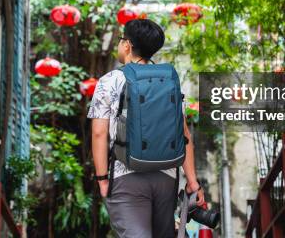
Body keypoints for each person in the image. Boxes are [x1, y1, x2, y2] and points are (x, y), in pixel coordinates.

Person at [87, 19, 205, 238]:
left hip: (125, 177)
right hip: (166, 178)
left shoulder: (110, 81)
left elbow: (99, 133)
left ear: (127, 45)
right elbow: (184, 135)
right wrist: (193, 182)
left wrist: (102, 179)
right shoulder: (168, 80)